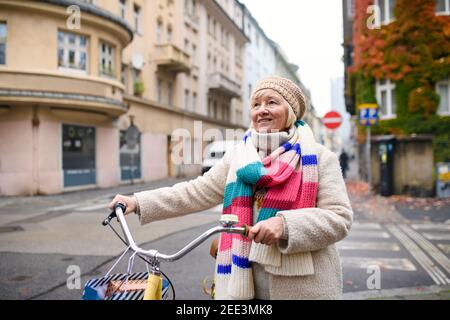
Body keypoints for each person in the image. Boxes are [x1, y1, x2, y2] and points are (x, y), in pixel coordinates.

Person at [109, 76, 353, 300]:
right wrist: (139, 202)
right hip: (242, 288)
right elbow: (196, 191)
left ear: (290, 112)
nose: (262, 110)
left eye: (271, 102)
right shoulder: (240, 156)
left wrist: (286, 225)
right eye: (256, 104)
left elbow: (339, 218)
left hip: (303, 290)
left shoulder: (320, 158)